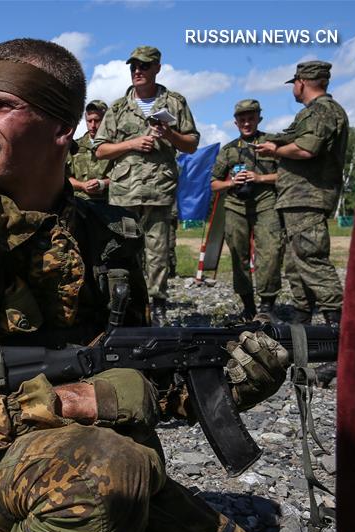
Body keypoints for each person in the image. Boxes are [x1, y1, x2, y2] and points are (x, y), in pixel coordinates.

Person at [0, 38, 305, 532]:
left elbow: (143, 378)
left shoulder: (109, 237)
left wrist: (230, 384)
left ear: (64, 130)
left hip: (116, 476)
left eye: (2, 106)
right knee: (101, 477)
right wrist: (66, 402)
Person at [93, 46, 199, 326]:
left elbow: (191, 144)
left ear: (157, 68)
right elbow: (100, 150)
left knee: (158, 253)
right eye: (133, 67)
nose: (137, 71)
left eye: (144, 66)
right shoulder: (117, 107)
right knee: (121, 252)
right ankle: (124, 306)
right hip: (124, 192)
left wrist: (170, 133)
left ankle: (159, 308)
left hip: (158, 190)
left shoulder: (174, 102)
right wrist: (132, 143)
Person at [255, 61, 348, 329]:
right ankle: (303, 325)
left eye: (294, 83)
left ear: (302, 82)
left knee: (312, 260)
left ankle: (339, 331)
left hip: (308, 197)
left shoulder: (322, 111)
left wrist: (274, 150)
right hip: (297, 198)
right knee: (297, 266)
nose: (293, 88)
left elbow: (307, 149)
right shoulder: (316, 112)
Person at [211, 99, 282, 319]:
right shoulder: (229, 150)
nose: (247, 123)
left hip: (266, 203)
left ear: (259, 118)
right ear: (236, 122)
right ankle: (248, 305)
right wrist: (232, 182)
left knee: (270, 253)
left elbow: (287, 175)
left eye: (251, 118)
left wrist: (260, 177)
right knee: (238, 256)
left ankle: (267, 305)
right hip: (236, 206)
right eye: (242, 119)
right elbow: (214, 183)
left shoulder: (271, 143)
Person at [67, 99, 111, 202]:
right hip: (80, 203)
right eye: (89, 121)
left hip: (109, 203)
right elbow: (64, 177)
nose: (93, 125)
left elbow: (125, 178)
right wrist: (82, 185)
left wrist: (103, 184)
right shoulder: (74, 146)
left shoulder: (115, 146)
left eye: (97, 120)